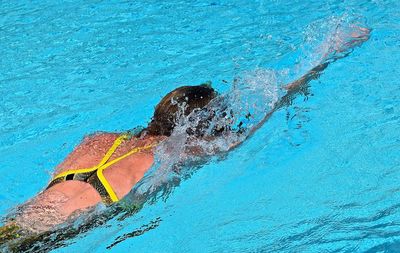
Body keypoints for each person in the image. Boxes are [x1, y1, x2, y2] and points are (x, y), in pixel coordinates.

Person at [0, 25, 370, 243]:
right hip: (53, 235)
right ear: (199, 125)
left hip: (18, 219)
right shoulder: (184, 150)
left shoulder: (96, 139)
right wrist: (329, 54)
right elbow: (276, 104)